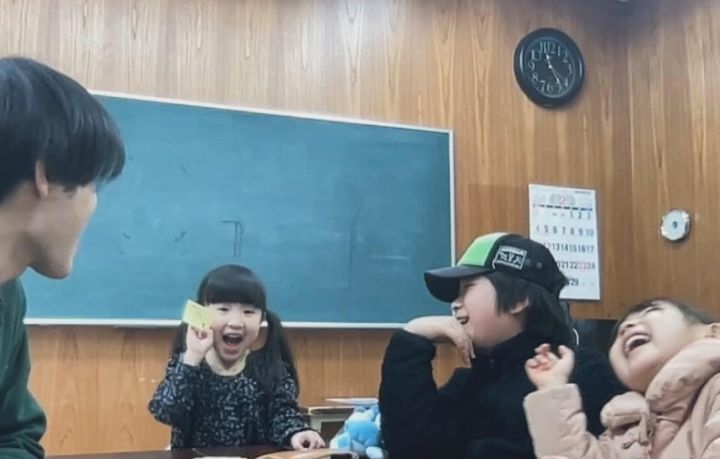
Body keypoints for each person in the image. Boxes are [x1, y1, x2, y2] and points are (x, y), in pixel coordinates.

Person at [379, 232, 624, 459]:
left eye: (467, 288)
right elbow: (412, 448)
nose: (455, 304)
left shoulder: (583, 374)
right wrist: (411, 341)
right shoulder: (470, 383)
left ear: (519, 300)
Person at [0, 56, 126, 458]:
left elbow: (14, 436)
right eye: (92, 185)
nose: (92, 205)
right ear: (45, 174)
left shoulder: (8, 295)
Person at [149, 264, 325, 450]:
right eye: (223, 309)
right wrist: (192, 358)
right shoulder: (188, 366)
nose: (235, 322)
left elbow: (283, 416)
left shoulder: (269, 369)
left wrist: (297, 432)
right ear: (202, 314)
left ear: (262, 318)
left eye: (249, 312)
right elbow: (165, 412)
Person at [525, 297, 720, 459]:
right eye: (618, 335)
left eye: (651, 311)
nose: (627, 326)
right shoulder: (626, 429)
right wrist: (553, 387)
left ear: (713, 333)